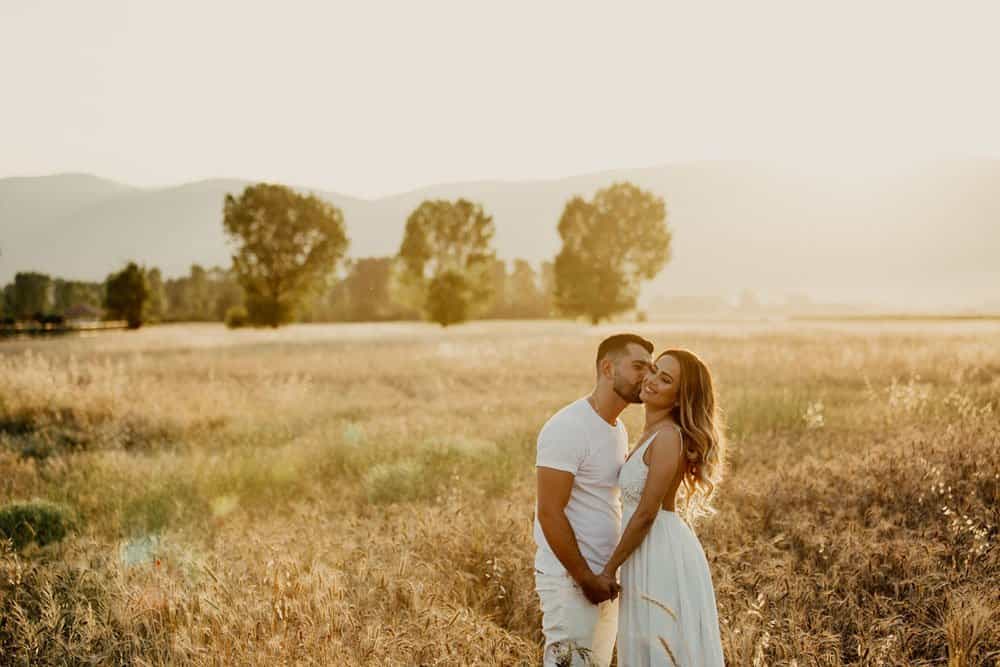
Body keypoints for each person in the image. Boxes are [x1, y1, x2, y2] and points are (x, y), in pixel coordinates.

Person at [534, 333, 654, 667]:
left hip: (605, 579)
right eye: (638, 366)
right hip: (571, 580)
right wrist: (585, 578)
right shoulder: (568, 426)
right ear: (607, 368)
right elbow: (549, 512)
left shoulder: (617, 429)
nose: (647, 375)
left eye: (651, 367)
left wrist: (606, 575)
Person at [601, 349, 726, 666]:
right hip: (643, 549)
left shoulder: (669, 437)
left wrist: (608, 568)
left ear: (678, 398)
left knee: (662, 647)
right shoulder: (650, 433)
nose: (652, 380)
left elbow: (646, 513)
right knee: (647, 643)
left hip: (659, 550)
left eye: (665, 379)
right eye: (655, 370)